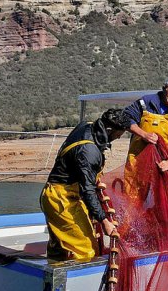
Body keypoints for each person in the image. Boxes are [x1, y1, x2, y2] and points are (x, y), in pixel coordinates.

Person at [40, 108, 129, 263]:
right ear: (108, 129)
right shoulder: (88, 152)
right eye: (117, 135)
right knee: (86, 248)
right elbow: (87, 190)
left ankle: (52, 275)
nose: (117, 138)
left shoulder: (88, 125)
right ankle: (79, 283)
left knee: (60, 245)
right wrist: (104, 221)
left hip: (59, 193)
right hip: (61, 200)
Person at [122, 75, 168, 206]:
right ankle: (130, 226)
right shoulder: (146, 103)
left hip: (163, 164)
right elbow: (125, 118)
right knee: (132, 202)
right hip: (138, 161)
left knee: (167, 204)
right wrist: (143, 134)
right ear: (164, 88)